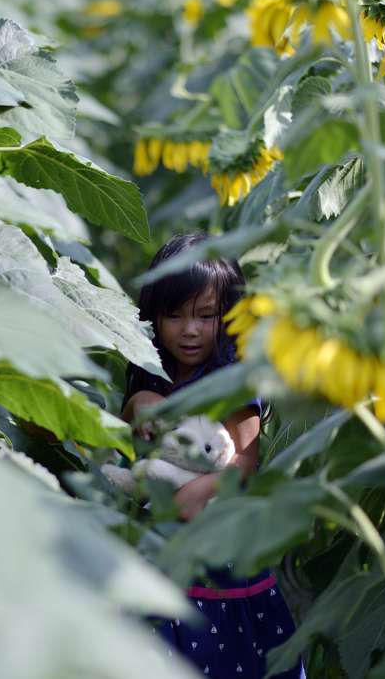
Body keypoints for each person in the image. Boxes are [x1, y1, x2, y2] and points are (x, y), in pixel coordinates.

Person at [122, 233, 304, 679]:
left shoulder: (235, 382)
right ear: (153, 317)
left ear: (228, 316)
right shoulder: (151, 373)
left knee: (224, 654)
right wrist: (140, 401)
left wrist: (198, 492)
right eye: (174, 316)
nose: (190, 330)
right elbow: (129, 427)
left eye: (206, 316)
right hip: (159, 547)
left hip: (219, 553)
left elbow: (244, 461)